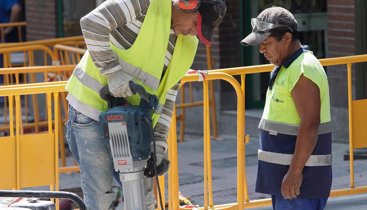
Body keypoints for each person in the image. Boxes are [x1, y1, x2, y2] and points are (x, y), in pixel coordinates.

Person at [65, 0, 226, 209]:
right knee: (100, 198)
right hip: (91, 110)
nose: (193, 32)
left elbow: (168, 94)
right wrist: (113, 73)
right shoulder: (145, 3)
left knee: (143, 199)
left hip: (133, 122)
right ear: (187, 5)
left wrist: (159, 142)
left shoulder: (188, 44)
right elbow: (92, 23)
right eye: (195, 24)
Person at [241, 6, 332, 210]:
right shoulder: (286, 66)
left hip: (300, 182)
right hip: (289, 180)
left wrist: (294, 173)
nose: (262, 50)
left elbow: (310, 126)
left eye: (267, 44)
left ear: (287, 38)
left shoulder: (302, 69)